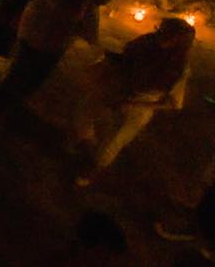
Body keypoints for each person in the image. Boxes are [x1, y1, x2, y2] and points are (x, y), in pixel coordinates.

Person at [74, 18, 195, 186]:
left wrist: (134, 104)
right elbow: (125, 58)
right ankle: (86, 144)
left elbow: (173, 103)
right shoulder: (146, 42)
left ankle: (92, 168)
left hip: (142, 101)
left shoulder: (178, 68)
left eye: (167, 34)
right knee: (85, 110)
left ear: (178, 42)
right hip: (120, 86)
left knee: (114, 140)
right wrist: (103, 65)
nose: (160, 35)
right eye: (160, 30)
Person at [0, 0, 99, 111]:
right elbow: (70, 10)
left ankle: (16, 103)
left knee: (39, 74)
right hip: (36, 32)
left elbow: (80, 8)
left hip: (60, 37)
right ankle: (2, 103)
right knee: (21, 71)